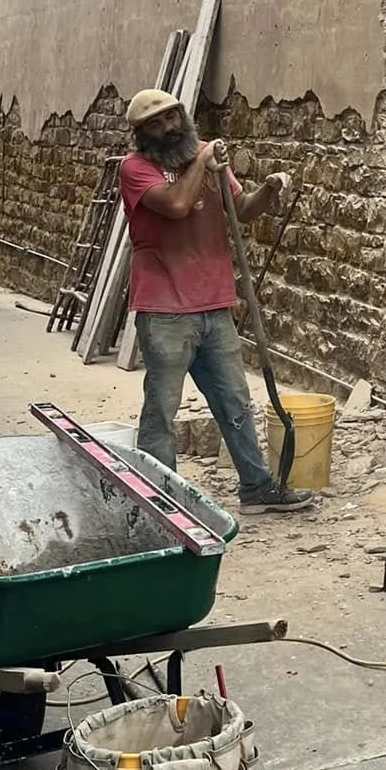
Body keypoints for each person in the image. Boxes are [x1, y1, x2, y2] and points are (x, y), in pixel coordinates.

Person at [119, 88, 314, 514]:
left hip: (214, 303)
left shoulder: (207, 160)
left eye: (172, 118)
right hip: (165, 309)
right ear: (141, 135)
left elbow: (241, 209)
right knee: (162, 410)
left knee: (235, 401)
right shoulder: (134, 168)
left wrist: (268, 189)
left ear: (182, 117)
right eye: (155, 124)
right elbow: (176, 205)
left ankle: (257, 487)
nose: (168, 129)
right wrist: (200, 162)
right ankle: (162, 497)